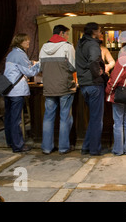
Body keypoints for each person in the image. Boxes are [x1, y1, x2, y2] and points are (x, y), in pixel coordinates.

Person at [39, 25, 76, 155]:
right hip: (64, 87)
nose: (67, 37)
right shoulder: (67, 46)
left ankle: (46, 148)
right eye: (66, 34)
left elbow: (40, 67)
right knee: (64, 117)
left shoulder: (44, 47)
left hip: (48, 87)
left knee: (48, 117)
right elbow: (73, 67)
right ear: (61, 33)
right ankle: (63, 147)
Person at [3, 33, 40, 153]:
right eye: (26, 40)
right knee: (16, 119)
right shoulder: (20, 54)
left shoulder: (11, 54)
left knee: (9, 117)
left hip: (7, 89)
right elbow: (30, 72)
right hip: (16, 91)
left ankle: (10, 141)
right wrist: (40, 64)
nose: (28, 42)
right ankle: (18, 145)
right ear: (20, 42)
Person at [76, 22, 106, 155]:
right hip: (94, 84)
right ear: (94, 31)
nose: (101, 33)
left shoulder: (80, 43)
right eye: (99, 30)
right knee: (96, 119)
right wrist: (100, 75)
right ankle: (94, 149)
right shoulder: (93, 44)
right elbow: (94, 61)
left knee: (93, 118)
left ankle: (86, 147)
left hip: (84, 85)